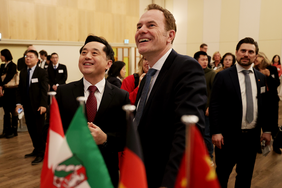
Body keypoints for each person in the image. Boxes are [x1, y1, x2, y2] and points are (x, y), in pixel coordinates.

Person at [134, 4, 206, 188]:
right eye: (139, 26)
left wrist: (170, 182)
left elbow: (187, 132)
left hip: (165, 177)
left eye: (151, 25)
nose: (142, 30)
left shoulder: (186, 68)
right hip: (141, 174)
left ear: (170, 36)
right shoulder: (147, 78)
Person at [56, 35, 130, 188]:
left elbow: (127, 137)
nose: (87, 56)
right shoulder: (63, 92)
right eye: (83, 52)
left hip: (105, 173)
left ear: (108, 64)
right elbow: (48, 131)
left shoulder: (120, 96)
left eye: (94, 53)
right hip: (70, 172)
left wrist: (105, 139)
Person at [210, 37, 271, 188]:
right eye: (243, 50)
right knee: (222, 175)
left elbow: (264, 106)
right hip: (227, 137)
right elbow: (215, 105)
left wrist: (267, 130)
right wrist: (216, 131)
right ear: (236, 52)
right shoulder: (222, 76)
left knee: (245, 176)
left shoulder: (261, 78)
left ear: (255, 56)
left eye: (251, 52)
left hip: (251, 138)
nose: (246, 54)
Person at [16, 50, 48, 165]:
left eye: (30, 56)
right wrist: (18, 104)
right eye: (26, 56)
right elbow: (20, 89)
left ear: (37, 59)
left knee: (39, 130)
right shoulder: (23, 72)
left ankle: (41, 153)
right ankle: (36, 148)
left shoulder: (41, 72)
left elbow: (44, 90)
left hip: (39, 106)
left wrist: (43, 105)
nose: (27, 58)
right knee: (31, 129)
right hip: (27, 106)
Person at [254, 52, 281, 154]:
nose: (256, 59)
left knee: (274, 124)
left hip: (272, 100)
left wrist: (269, 76)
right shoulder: (254, 70)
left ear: (263, 58)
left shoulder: (271, 68)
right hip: (259, 100)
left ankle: (276, 145)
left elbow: (276, 83)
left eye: (258, 57)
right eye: (255, 57)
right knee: (258, 123)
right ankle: (258, 146)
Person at [194, 51, 216, 164]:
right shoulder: (192, 72)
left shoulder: (211, 73)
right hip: (194, 110)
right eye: (202, 59)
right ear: (196, 60)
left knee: (207, 135)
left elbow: (214, 92)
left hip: (206, 110)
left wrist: (209, 107)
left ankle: (209, 158)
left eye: (206, 60)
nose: (205, 62)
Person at [0, 49, 18, 138]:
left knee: (13, 111)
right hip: (5, 91)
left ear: (5, 56)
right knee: (6, 111)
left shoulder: (13, 65)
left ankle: (14, 130)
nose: (0, 57)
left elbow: (9, 76)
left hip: (12, 91)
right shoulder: (2, 65)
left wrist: (1, 85)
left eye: (1, 55)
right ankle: (6, 130)